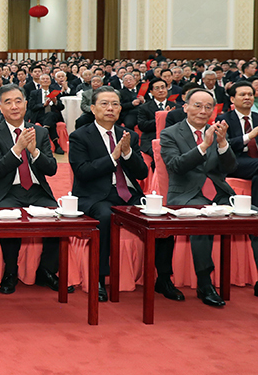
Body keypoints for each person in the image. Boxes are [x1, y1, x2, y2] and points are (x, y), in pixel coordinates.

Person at [70, 87, 176, 303]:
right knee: (105, 218)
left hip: (128, 194)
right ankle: (98, 278)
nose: (110, 108)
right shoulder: (80, 136)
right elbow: (82, 172)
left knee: (160, 217)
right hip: (95, 195)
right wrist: (113, 157)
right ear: (93, 108)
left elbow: (141, 173)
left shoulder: (130, 136)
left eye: (115, 104)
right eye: (104, 104)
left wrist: (127, 153)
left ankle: (164, 278)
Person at [161, 88, 258, 306]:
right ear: (185, 107)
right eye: (197, 105)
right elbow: (176, 166)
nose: (203, 111)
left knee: (253, 219)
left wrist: (223, 143)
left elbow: (231, 167)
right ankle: (205, 283)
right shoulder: (170, 133)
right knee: (202, 224)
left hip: (218, 193)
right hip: (186, 194)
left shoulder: (217, 131)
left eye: (208, 107)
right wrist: (204, 145)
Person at [0, 84, 71, 295]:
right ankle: (10, 272)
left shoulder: (38, 131)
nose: (14, 106)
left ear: (26, 104)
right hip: (6, 191)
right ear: (0, 108)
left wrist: (35, 152)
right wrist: (17, 149)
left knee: (59, 219)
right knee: (9, 218)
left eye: (18, 101)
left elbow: (52, 169)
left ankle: (46, 270)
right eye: (8, 102)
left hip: (37, 191)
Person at [222, 81, 258, 206]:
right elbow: (225, 145)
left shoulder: (257, 117)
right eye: (242, 95)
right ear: (232, 99)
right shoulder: (224, 119)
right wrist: (249, 136)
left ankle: (254, 210)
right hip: (235, 160)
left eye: (250, 95)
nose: (247, 97)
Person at [137, 78, 176, 158]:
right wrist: (162, 116)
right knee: (159, 154)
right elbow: (142, 126)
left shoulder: (176, 106)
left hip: (172, 138)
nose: (161, 90)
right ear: (151, 92)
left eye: (163, 87)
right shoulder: (144, 107)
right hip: (151, 138)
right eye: (157, 88)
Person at [27, 73, 65, 154]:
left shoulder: (55, 92)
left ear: (50, 81)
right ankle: (56, 145)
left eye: (47, 79)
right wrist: (43, 105)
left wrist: (55, 102)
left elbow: (61, 107)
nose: (45, 80)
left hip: (54, 114)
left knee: (51, 115)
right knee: (50, 120)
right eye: (43, 79)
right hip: (40, 115)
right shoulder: (34, 93)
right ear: (40, 81)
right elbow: (31, 107)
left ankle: (44, 131)